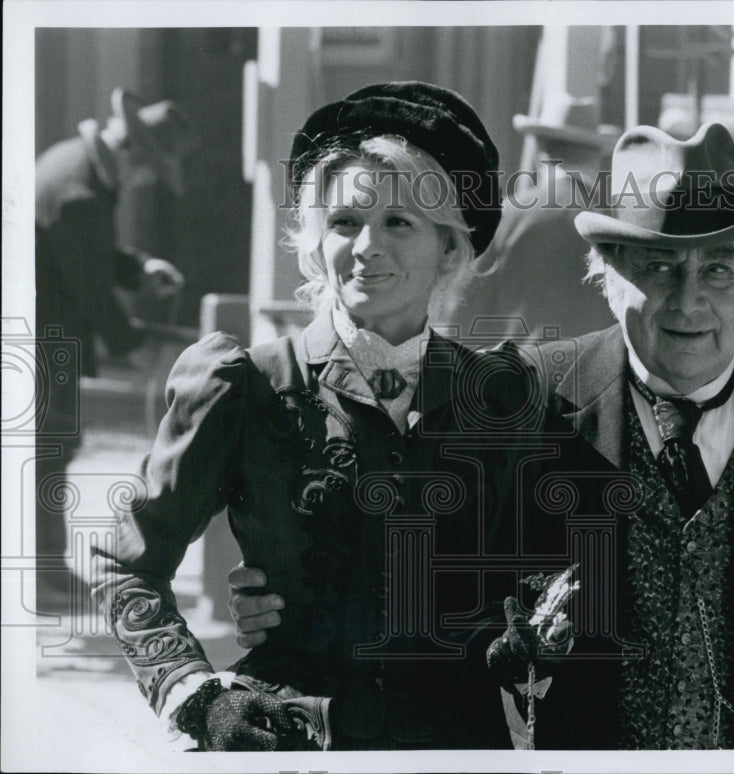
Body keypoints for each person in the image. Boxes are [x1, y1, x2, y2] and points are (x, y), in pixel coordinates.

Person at [232, 121, 734, 749]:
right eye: (658, 266)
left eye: (718, 268)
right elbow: (405, 549)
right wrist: (292, 586)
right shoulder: (514, 403)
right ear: (606, 273)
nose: (689, 300)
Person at [93, 81, 548, 751]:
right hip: (293, 741)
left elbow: (541, 571)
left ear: (450, 248)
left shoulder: (501, 396)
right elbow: (124, 563)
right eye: (344, 222)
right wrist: (197, 691)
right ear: (313, 239)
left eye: (399, 222)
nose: (367, 246)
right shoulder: (244, 387)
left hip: (459, 748)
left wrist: (526, 630)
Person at [34, 88, 194, 607]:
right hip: (41, 338)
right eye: (146, 171)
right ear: (128, 150)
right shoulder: (78, 190)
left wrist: (139, 267)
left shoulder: (74, 166)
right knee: (48, 450)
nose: (143, 182)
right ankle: (43, 575)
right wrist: (137, 343)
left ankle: (44, 570)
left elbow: (91, 254)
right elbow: (91, 291)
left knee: (48, 449)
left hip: (48, 333)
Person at [440, 92, 617, 340]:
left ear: (540, 154)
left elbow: (463, 316)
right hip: (599, 375)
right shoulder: (617, 224)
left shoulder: (506, 217)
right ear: (596, 158)